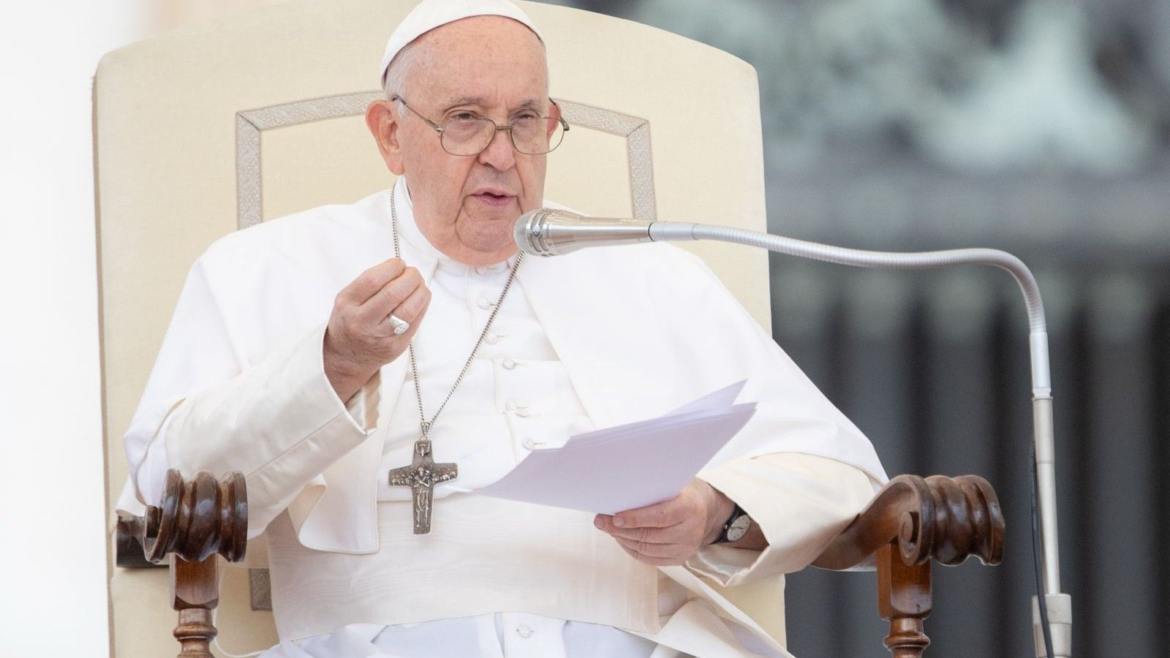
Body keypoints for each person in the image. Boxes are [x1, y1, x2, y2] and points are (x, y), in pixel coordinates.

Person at [116, 1, 886, 656]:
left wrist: (713, 507)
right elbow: (163, 490)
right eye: (464, 121)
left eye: (525, 121)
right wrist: (332, 364)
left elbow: (840, 471)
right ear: (390, 133)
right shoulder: (267, 264)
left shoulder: (649, 271)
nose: (501, 154)